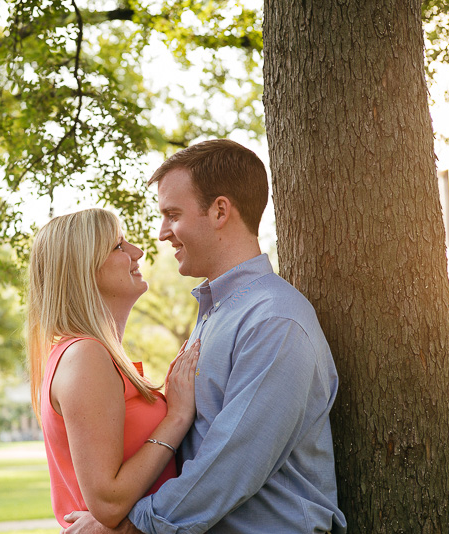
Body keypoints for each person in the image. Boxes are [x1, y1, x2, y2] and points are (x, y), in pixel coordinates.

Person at [63, 139, 347, 533]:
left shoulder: (275, 320)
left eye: (172, 215)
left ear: (219, 211)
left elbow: (234, 461)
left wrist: (131, 524)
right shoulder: (217, 314)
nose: (162, 234)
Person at [27, 208, 201, 529]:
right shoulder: (85, 356)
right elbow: (108, 501)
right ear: (84, 270)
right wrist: (176, 417)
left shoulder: (96, 355)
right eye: (119, 246)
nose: (138, 252)